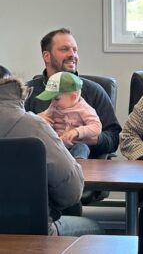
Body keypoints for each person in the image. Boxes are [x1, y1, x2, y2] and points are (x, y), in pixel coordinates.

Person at [0, 65, 103, 236]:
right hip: (33, 233)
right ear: (11, 88)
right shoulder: (34, 126)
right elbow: (71, 193)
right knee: (95, 229)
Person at [25, 28, 121, 159]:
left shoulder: (94, 91)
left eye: (75, 50)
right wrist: (33, 124)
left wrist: (88, 137)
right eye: (64, 49)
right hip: (39, 163)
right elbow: (10, 132)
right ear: (46, 56)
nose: (72, 55)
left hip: (84, 169)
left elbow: (114, 138)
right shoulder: (26, 92)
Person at [37, 71, 102, 159]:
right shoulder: (54, 106)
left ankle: (78, 165)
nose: (53, 102)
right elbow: (44, 115)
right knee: (41, 146)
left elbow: (96, 126)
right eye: (51, 99)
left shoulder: (84, 109)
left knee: (82, 148)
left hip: (74, 144)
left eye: (56, 99)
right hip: (57, 144)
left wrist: (77, 132)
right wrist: (40, 119)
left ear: (73, 96)